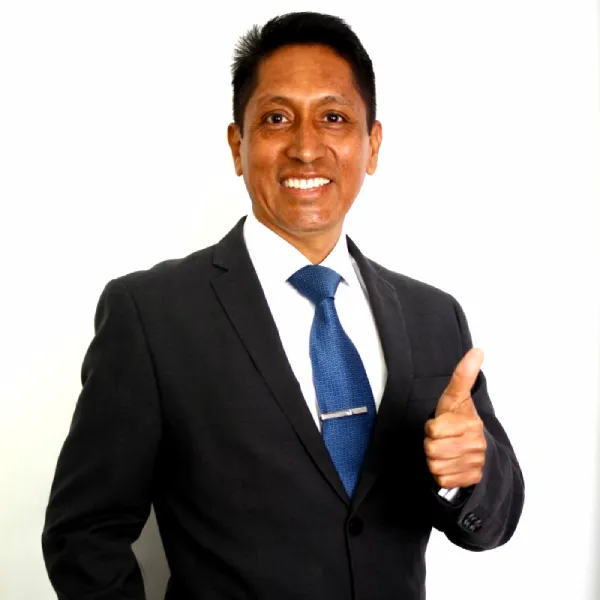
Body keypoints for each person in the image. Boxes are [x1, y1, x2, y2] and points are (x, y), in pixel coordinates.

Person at [42, 11, 525, 600]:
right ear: (237, 145)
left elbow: (494, 522)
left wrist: (468, 475)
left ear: (372, 145)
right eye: (276, 118)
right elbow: (84, 535)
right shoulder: (150, 315)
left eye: (334, 117)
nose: (305, 147)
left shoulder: (433, 315)